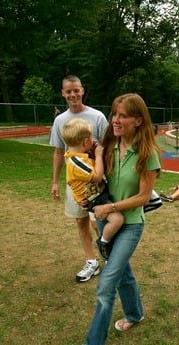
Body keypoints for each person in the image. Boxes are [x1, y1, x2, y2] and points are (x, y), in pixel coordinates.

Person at [72, 93, 161, 345]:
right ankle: (134, 314)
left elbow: (144, 197)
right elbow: (96, 177)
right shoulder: (108, 146)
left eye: (123, 115)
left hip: (130, 224)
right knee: (122, 271)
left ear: (138, 120)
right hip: (104, 220)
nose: (116, 120)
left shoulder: (148, 154)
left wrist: (110, 209)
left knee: (107, 282)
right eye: (114, 114)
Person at [50, 75, 109, 282]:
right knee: (81, 221)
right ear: (63, 93)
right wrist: (55, 181)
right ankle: (91, 262)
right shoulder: (60, 120)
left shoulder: (98, 117)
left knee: (98, 222)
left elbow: (108, 147)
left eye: (76, 90)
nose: (73, 94)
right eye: (68, 91)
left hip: (96, 181)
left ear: (82, 90)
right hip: (75, 183)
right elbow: (59, 152)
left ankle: (109, 256)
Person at [62, 118, 124, 260]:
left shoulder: (80, 156)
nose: (92, 140)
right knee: (117, 220)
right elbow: (97, 176)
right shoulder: (76, 162)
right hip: (93, 199)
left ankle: (108, 241)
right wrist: (98, 155)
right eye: (90, 138)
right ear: (84, 142)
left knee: (112, 219)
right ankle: (104, 243)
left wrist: (91, 152)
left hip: (95, 194)